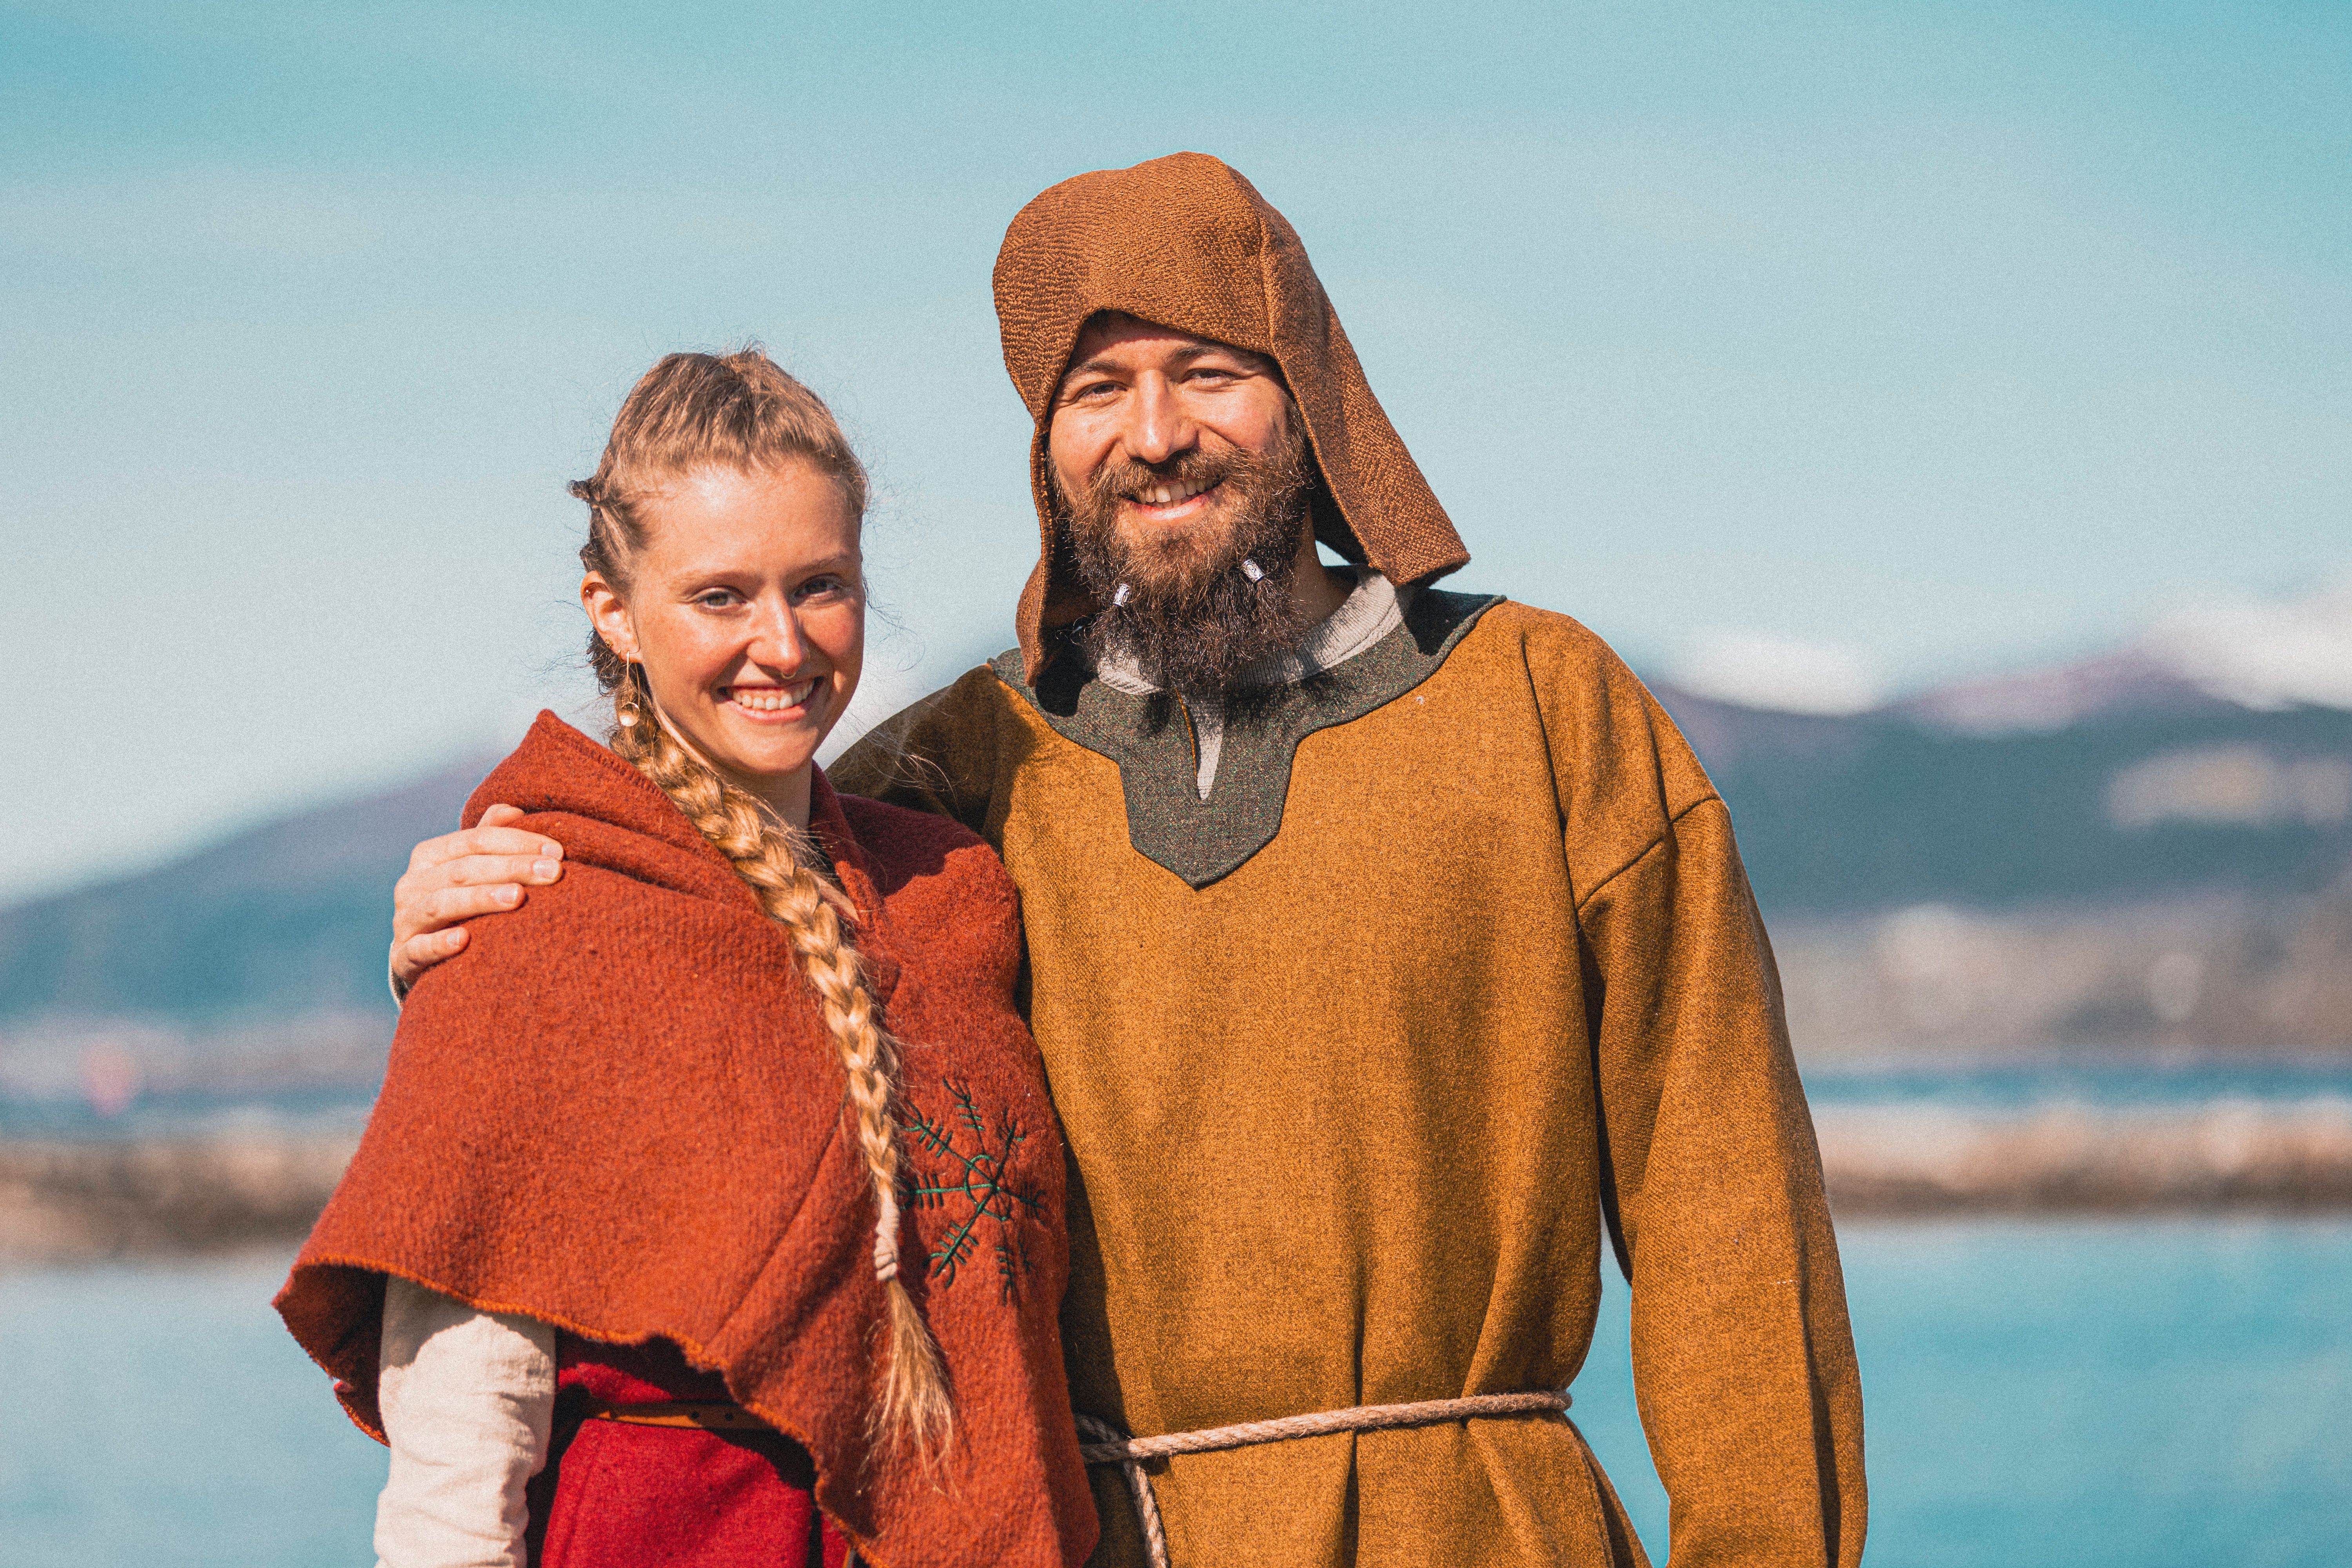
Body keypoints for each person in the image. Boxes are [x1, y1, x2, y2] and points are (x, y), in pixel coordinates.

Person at [392, 155, 1867, 1568]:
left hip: (1476, 1532)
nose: (1154, 433)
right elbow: (684, 967)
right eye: (1096, 390)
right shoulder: (947, 776)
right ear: (1048, 443)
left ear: (1313, 396)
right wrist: (467, 935)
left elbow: (1725, 1209)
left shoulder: (1545, 710)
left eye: (1208, 372)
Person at [279, 350, 1097, 1568]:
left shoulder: (952, 898)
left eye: (823, 586)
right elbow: (464, 1432)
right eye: (721, 596)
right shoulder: (534, 908)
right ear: (613, 608)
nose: (782, 642)